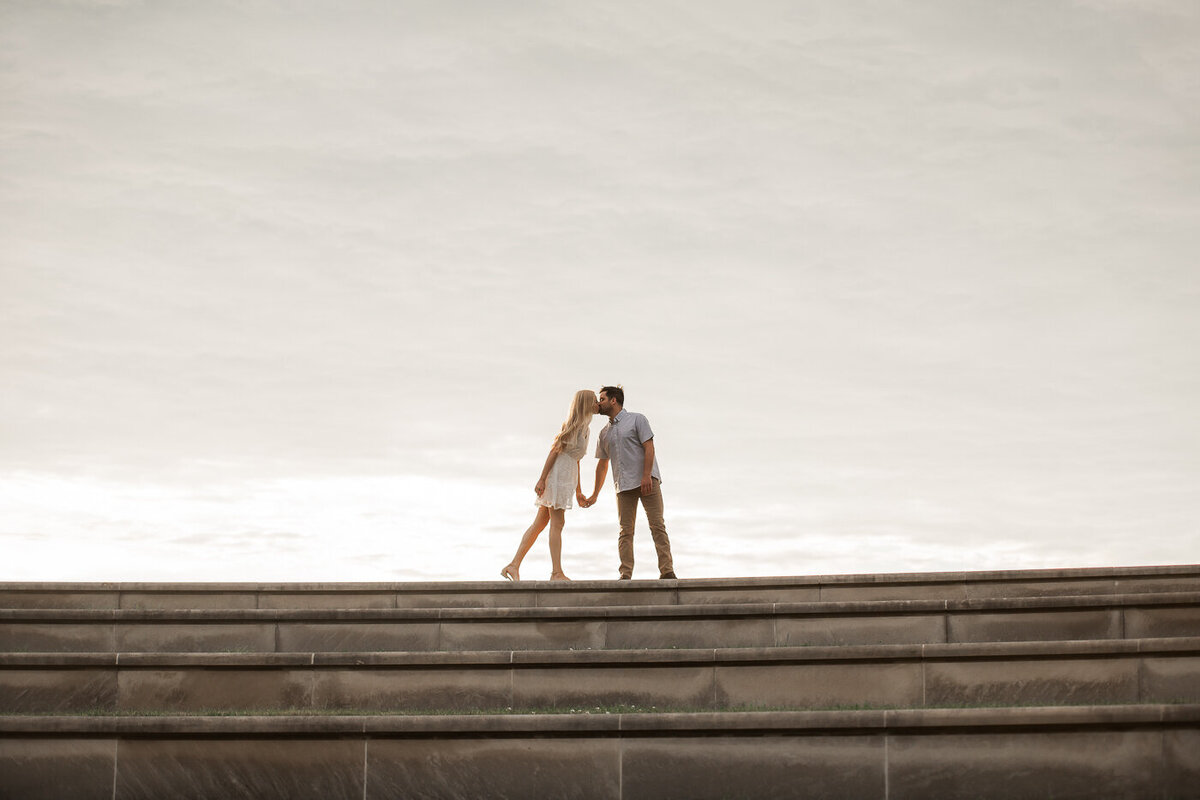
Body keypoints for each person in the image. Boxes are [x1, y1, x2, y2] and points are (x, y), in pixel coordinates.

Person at [501, 389, 598, 581]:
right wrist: (542, 478)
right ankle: (556, 572)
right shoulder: (575, 426)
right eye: (595, 401)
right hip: (558, 477)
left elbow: (576, 460)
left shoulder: (586, 429)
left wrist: (578, 491)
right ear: (586, 404)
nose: (597, 404)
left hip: (567, 477)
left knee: (540, 523)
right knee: (558, 523)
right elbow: (555, 451)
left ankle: (513, 565)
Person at [584, 386, 677, 580]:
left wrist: (646, 476)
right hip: (623, 486)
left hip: (647, 481)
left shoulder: (637, 419)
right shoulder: (603, 433)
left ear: (613, 401)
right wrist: (594, 494)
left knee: (657, 525)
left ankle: (667, 571)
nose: (598, 403)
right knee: (625, 531)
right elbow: (602, 465)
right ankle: (625, 574)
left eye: (601, 399)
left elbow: (649, 448)